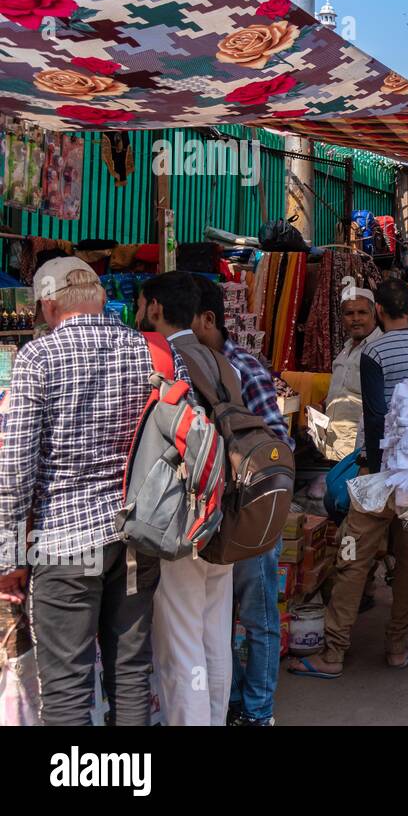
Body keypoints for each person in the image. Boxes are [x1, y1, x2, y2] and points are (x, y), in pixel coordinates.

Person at [0, 258, 165, 725]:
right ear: (96, 296)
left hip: (64, 544)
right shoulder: (146, 350)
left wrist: (9, 556)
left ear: (49, 305)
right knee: (130, 673)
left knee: (68, 688)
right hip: (136, 536)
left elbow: (14, 469)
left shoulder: (38, 357)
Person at [288, 279, 408, 680]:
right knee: (407, 561)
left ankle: (333, 653)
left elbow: (375, 413)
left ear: (380, 312)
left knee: (352, 558)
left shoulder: (375, 350)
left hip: (383, 471)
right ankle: (397, 647)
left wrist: (370, 467)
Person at [138, 271, 242, 727]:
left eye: (141, 304)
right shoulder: (222, 361)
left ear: (155, 307)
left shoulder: (158, 359)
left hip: (183, 516)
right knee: (213, 632)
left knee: (180, 642)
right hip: (227, 511)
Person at [192, 277, 293, 726]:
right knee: (220, 618)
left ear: (208, 320)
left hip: (249, 511)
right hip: (212, 517)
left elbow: (278, 442)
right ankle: (230, 702)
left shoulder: (242, 369)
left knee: (257, 617)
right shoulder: (187, 367)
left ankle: (257, 712)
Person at [320, 289, 383, 461]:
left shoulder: (379, 349)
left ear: (374, 315)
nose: (355, 318)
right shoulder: (345, 350)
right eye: (349, 313)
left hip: (359, 450)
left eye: (362, 312)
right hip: (333, 446)